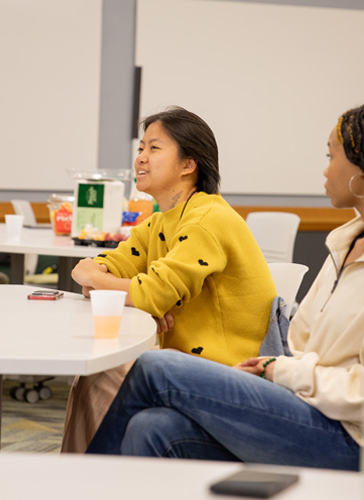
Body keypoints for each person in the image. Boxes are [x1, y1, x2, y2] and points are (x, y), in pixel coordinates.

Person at [86, 102, 364, 470]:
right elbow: (304, 345)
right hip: (305, 409)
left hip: (358, 442)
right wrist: (278, 371)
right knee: (151, 427)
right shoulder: (346, 245)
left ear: (363, 170)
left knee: (157, 366)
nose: (325, 171)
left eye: (331, 157)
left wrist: (283, 372)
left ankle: (79, 485)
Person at [63, 106, 276, 452]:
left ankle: (87, 479)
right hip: (182, 368)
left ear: (188, 165)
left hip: (230, 374)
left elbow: (151, 292)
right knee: (96, 373)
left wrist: (137, 296)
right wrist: (97, 277)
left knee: (101, 373)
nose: (141, 159)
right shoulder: (159, 223)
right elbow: (100, 269)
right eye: (140, 149)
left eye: (154, 148)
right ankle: (89, 481)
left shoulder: (208, 218)